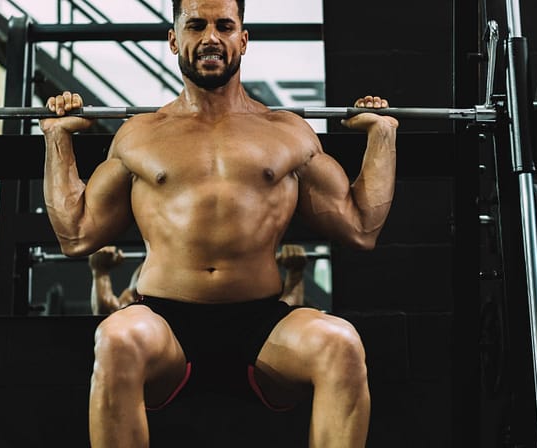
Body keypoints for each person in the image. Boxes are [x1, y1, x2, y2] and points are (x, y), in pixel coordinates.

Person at [39, 0, 398, 445]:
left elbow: (361, 228)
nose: (211, 37)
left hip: (261, 325)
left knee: (340, 343)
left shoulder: (286, 132)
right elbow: (76, 234)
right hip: (164, 322)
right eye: (196, 24)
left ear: (242, 40)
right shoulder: (140, 134)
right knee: (116, 338)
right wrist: (58, 140)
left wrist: (382, 135)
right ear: (174, 39)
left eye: (224, 25)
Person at [89, 244, 309, 314]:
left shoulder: (244, 268)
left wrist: (296, 274)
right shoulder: (152, 269)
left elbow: (280, 315)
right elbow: (108, 313)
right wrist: (100, 272)